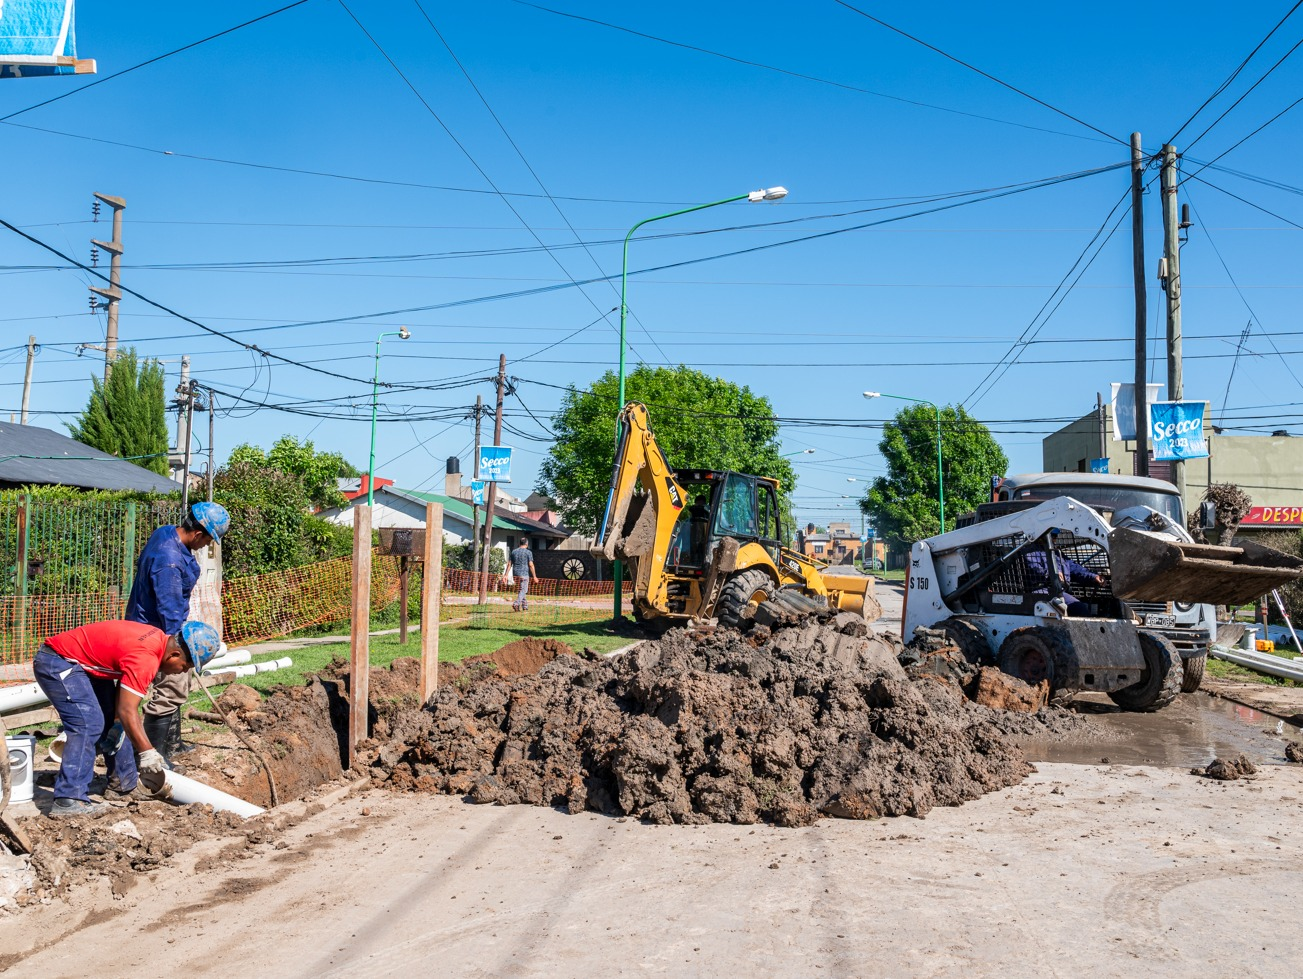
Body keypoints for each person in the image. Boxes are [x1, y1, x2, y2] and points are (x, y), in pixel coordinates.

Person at [33, 619, 221, 817]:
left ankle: (123, 785)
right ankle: (68, 799)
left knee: (118, 723)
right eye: (185, 666)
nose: (183, 671)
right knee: (88, 724)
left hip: (87, 666)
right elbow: (127, 710)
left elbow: (123, 707)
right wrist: (147, 752)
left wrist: (116, 722)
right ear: (174, 654)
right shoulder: (146, 658)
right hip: (58, 661)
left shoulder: (157, 642)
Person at [124, 501, 230, 765]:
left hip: (150, 624)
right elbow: (169, 608)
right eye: (207, 540)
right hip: (155, 631)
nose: (206, 546)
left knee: (180, 684)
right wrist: (183, 649)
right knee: (172, 686)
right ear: (197, 534)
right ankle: (153, 756)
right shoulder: (169, 562)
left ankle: (172, 742)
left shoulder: (166, 533)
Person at [1024, 530, 1106, 617]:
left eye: (1055, 536)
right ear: (1041, 535)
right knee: (1064, 609)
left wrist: (1093, 577)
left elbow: (1074, 568)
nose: (1055, 539)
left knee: (1080, 608)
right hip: (1039, 590)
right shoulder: (1028, 551)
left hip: (1057, 591)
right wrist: (1052, 575)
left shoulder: (1055, 552)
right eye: (1053, 536)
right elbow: (1034, 568)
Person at [509, 537, 536, 612]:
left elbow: (509, 564)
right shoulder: (528, 552)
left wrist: (506, 574)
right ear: (527, 544)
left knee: (521, 590)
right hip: (524, 574)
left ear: (519, 543)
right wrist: (534, 576)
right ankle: (516, 603)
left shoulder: (514, 551)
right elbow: (531, 564)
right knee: (524, 590)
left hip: (515, 574)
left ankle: (525, 606)